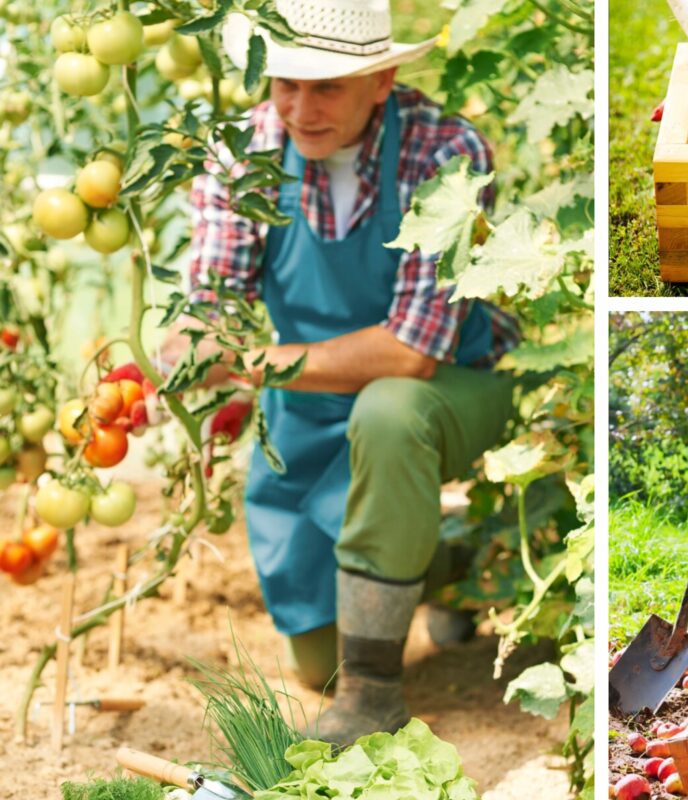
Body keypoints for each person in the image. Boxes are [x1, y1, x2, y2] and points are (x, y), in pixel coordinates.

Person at [178, 0, 520, 745]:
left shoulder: (444, 149)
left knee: (390, 410)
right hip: (309, 402)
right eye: (286, 84)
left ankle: (373, 697)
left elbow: (410, 351)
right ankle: (454, 554)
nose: (302, 109)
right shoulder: (243, 151)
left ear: (381, 77)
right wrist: (175, 354)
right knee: (312, 666)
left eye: (327, 87)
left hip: (448, 385)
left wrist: (233, 363)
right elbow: (212, 305)